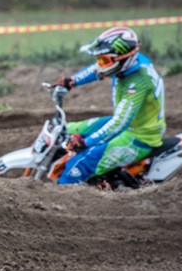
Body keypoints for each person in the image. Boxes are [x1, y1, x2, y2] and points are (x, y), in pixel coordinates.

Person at [55, 26, 166, 185]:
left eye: (104, 60)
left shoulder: (138, 82)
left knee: (76, 168)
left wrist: (86, 143)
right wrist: (72, 81)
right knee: (66, 130)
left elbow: (120, 122)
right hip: (127, 124)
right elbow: (99, 69)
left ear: (122, 59)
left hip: (139, 136)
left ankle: (62, 204)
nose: (100, 64)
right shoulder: (129, 61)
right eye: (100, 58)